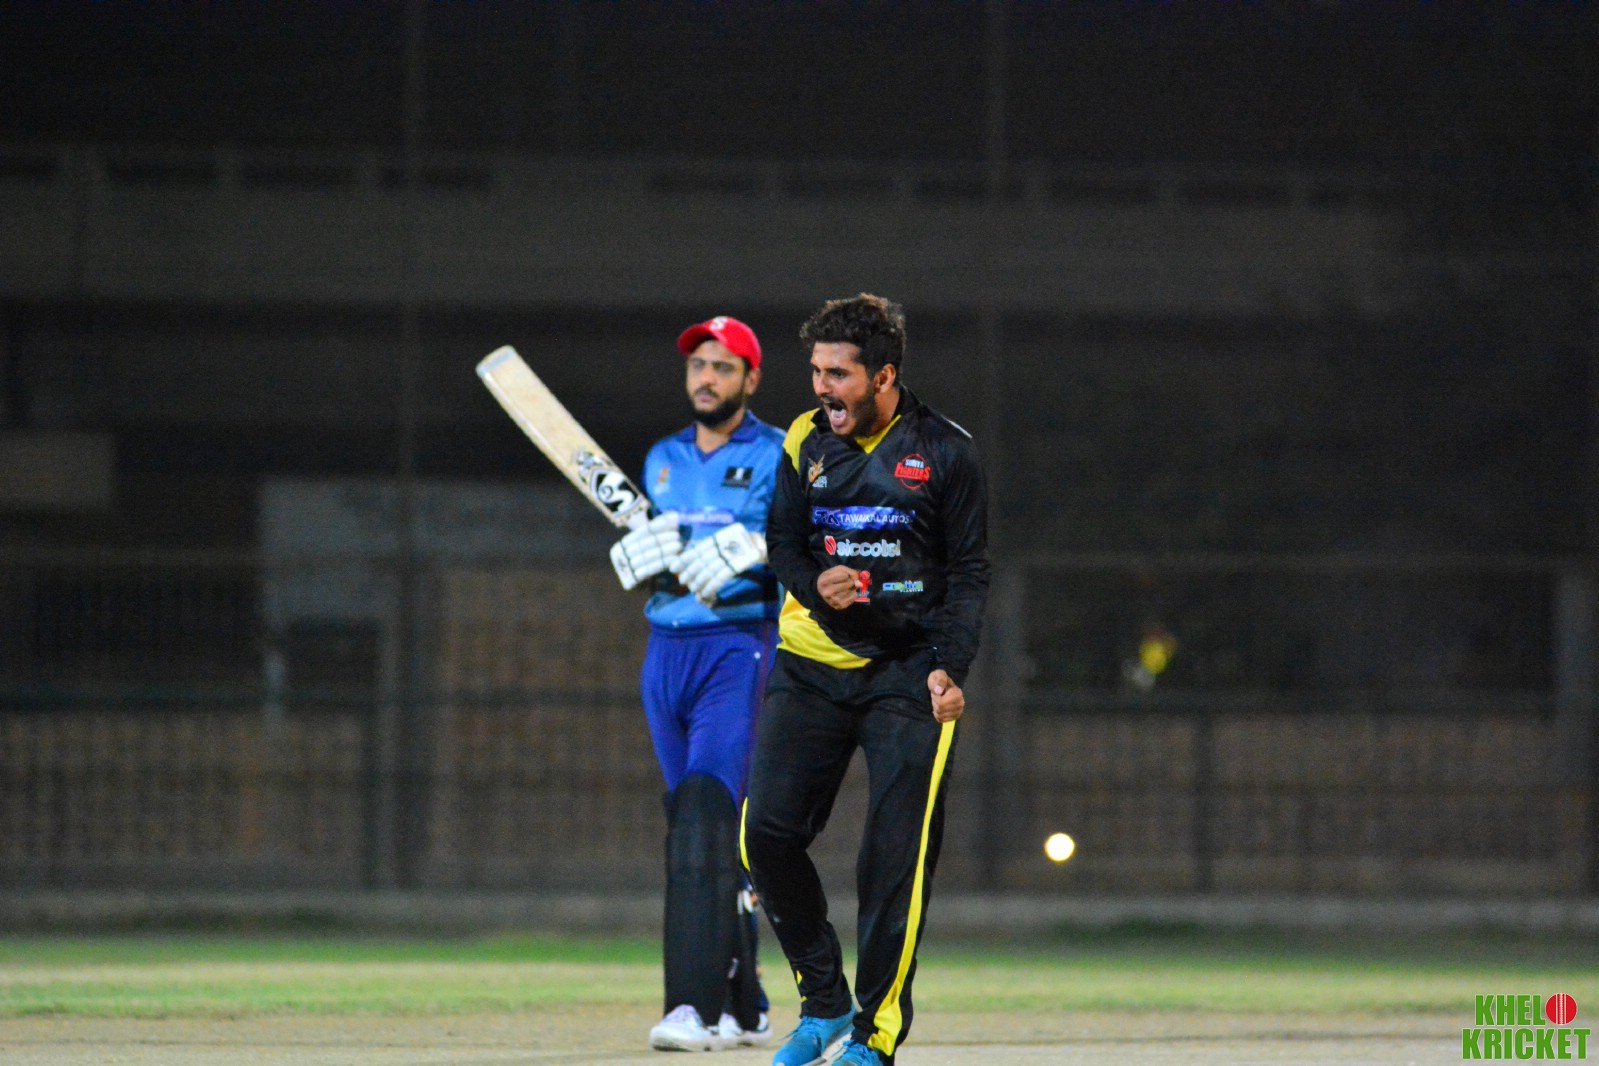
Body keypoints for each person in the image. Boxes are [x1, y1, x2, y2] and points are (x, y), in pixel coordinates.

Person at [741, 294, 991, 1066]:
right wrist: (815, 585)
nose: (822, 388)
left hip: (909, 673)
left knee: (892, 861)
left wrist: (949, 667)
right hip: (810, 663)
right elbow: (783, 540)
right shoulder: (803, 438)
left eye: (838, 375)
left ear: (882, 376)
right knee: (763, 837)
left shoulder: (946, 451)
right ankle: (822, 1002)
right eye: (816, 371)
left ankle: (872, 1037)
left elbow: (969, 572)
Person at [606, 314, 786, 1052]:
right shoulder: (662, 459)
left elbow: (807, 544)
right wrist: (643, 558)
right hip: (665, 651)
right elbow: (659, 549)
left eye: (722, 367)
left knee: (708, 818)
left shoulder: (779, 453)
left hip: (736, 647)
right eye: (697, 366)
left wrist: (763, 547)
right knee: (696, 821)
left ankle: (693, 1007)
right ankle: (747, 1004)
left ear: (751, 378)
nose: (706, 379)